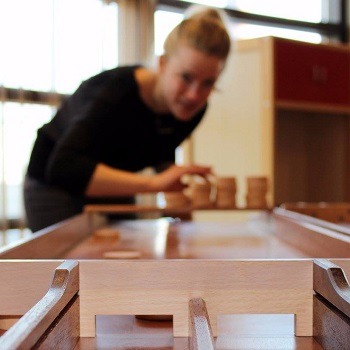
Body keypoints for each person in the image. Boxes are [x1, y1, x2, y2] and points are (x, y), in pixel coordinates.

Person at [24, 5, 231, 232]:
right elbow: (63, 167)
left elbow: (158, 148)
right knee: (73, 262)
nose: (194, 95)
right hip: (53, 185)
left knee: (124, 259)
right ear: (162, 64)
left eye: (208, 83)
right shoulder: (115, 92)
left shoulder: (194, 109)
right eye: (186, 77)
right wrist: (154, 184)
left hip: (110, 185)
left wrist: (178, 190)